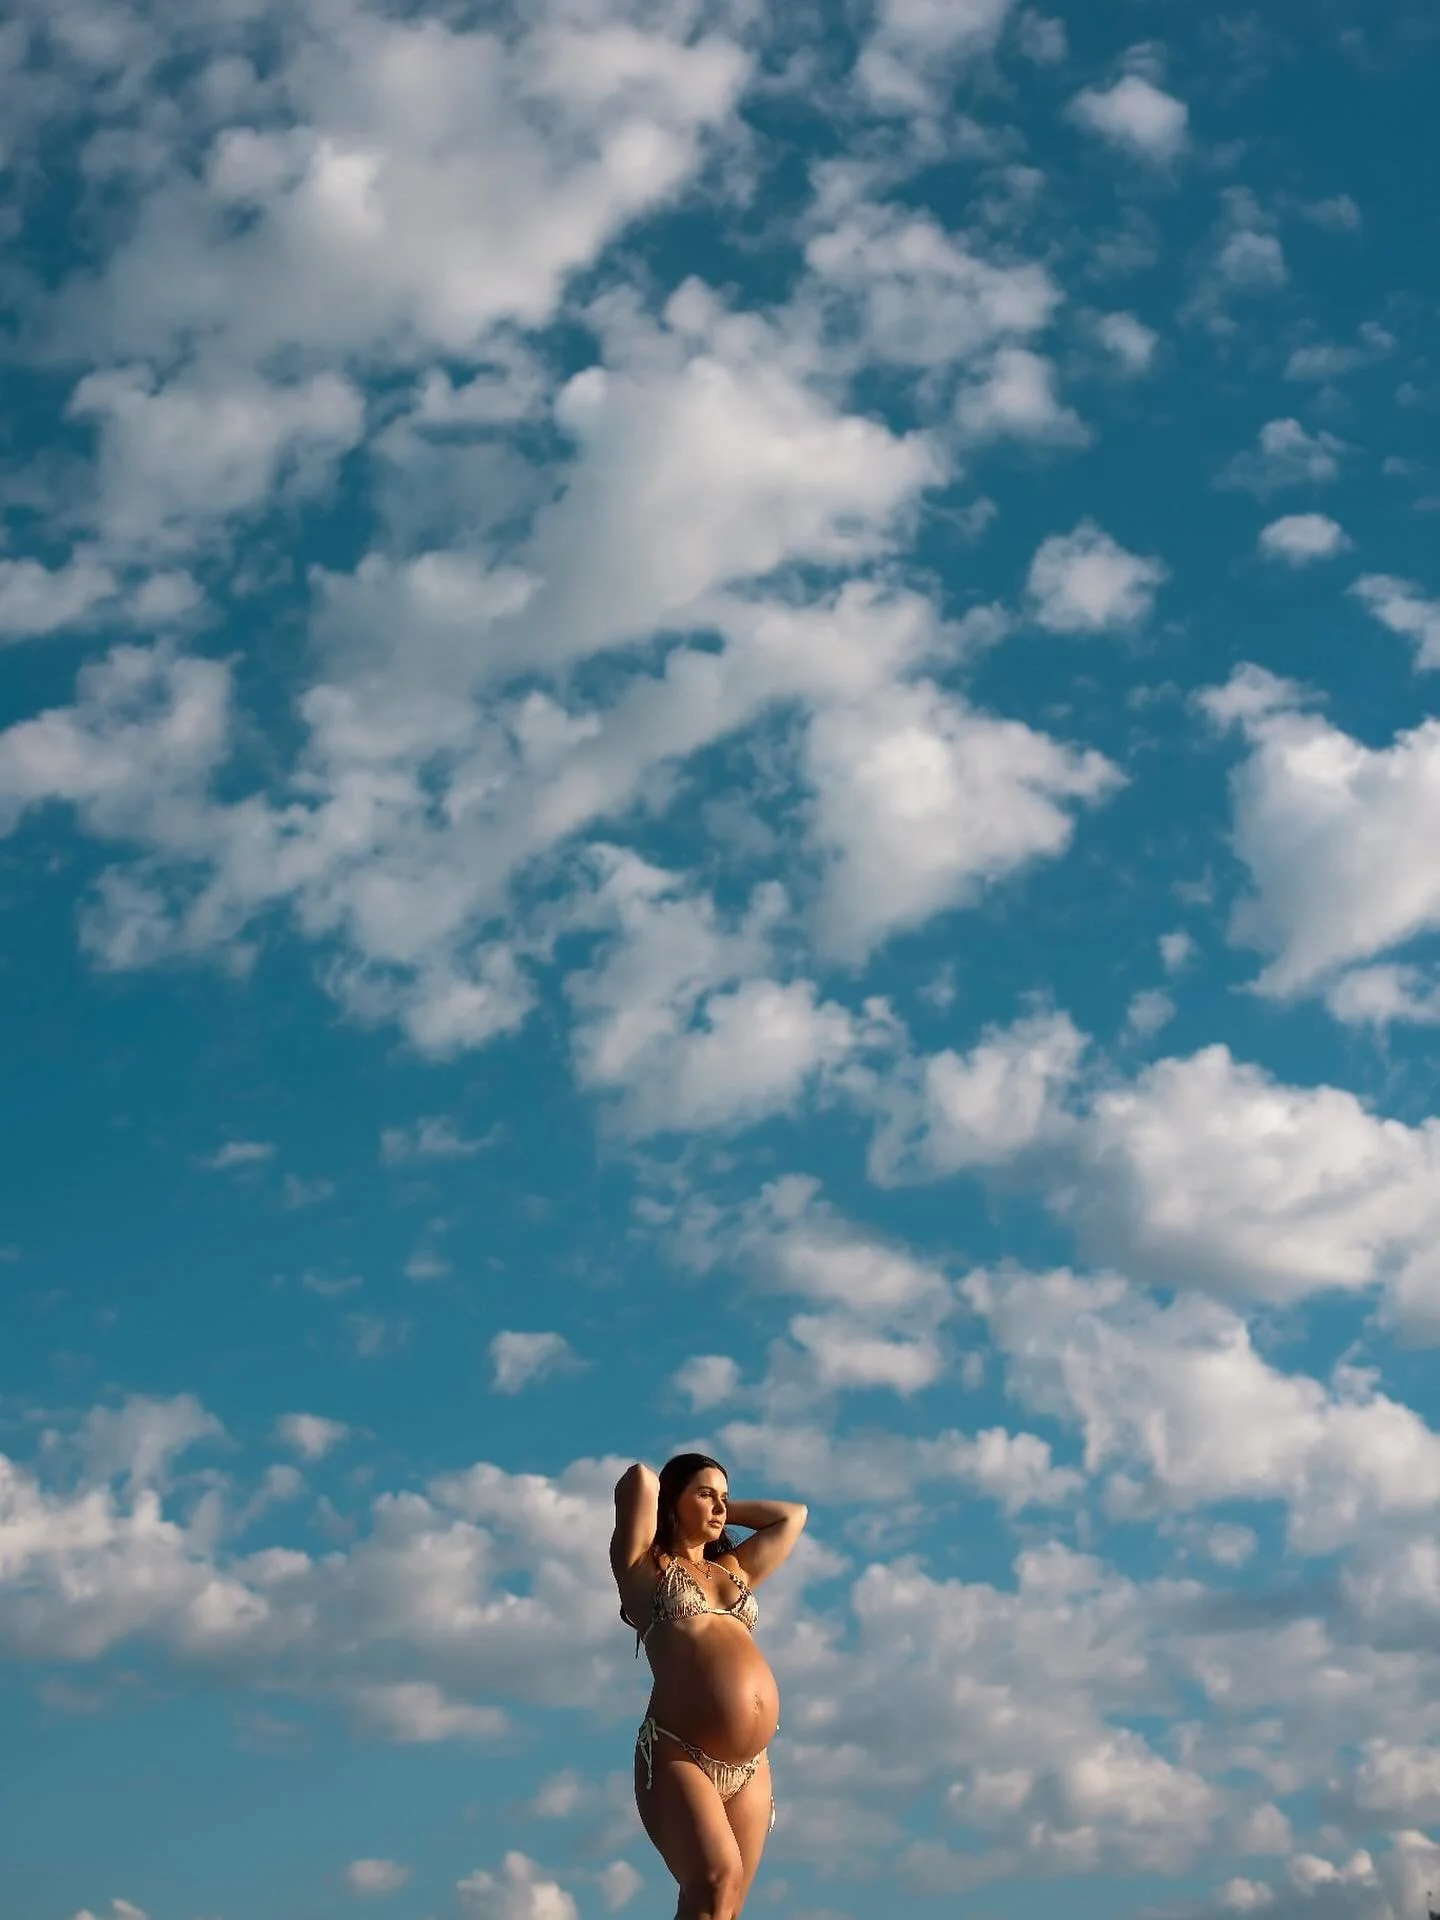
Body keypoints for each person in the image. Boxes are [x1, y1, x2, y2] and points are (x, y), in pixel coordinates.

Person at [610, 1453, 808, 1920]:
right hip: (678, 1749)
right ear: (671, 1501)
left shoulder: (734, 1570)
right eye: (706, 1495)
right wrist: (671, 1501)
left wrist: (717, 1507)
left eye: (725, 1497)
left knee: (726, 1908)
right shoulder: (644, 1568)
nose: (720, 1507)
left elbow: (791, 1516)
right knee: (714, 1884)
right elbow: (638, 1479)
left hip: (751, 1764)